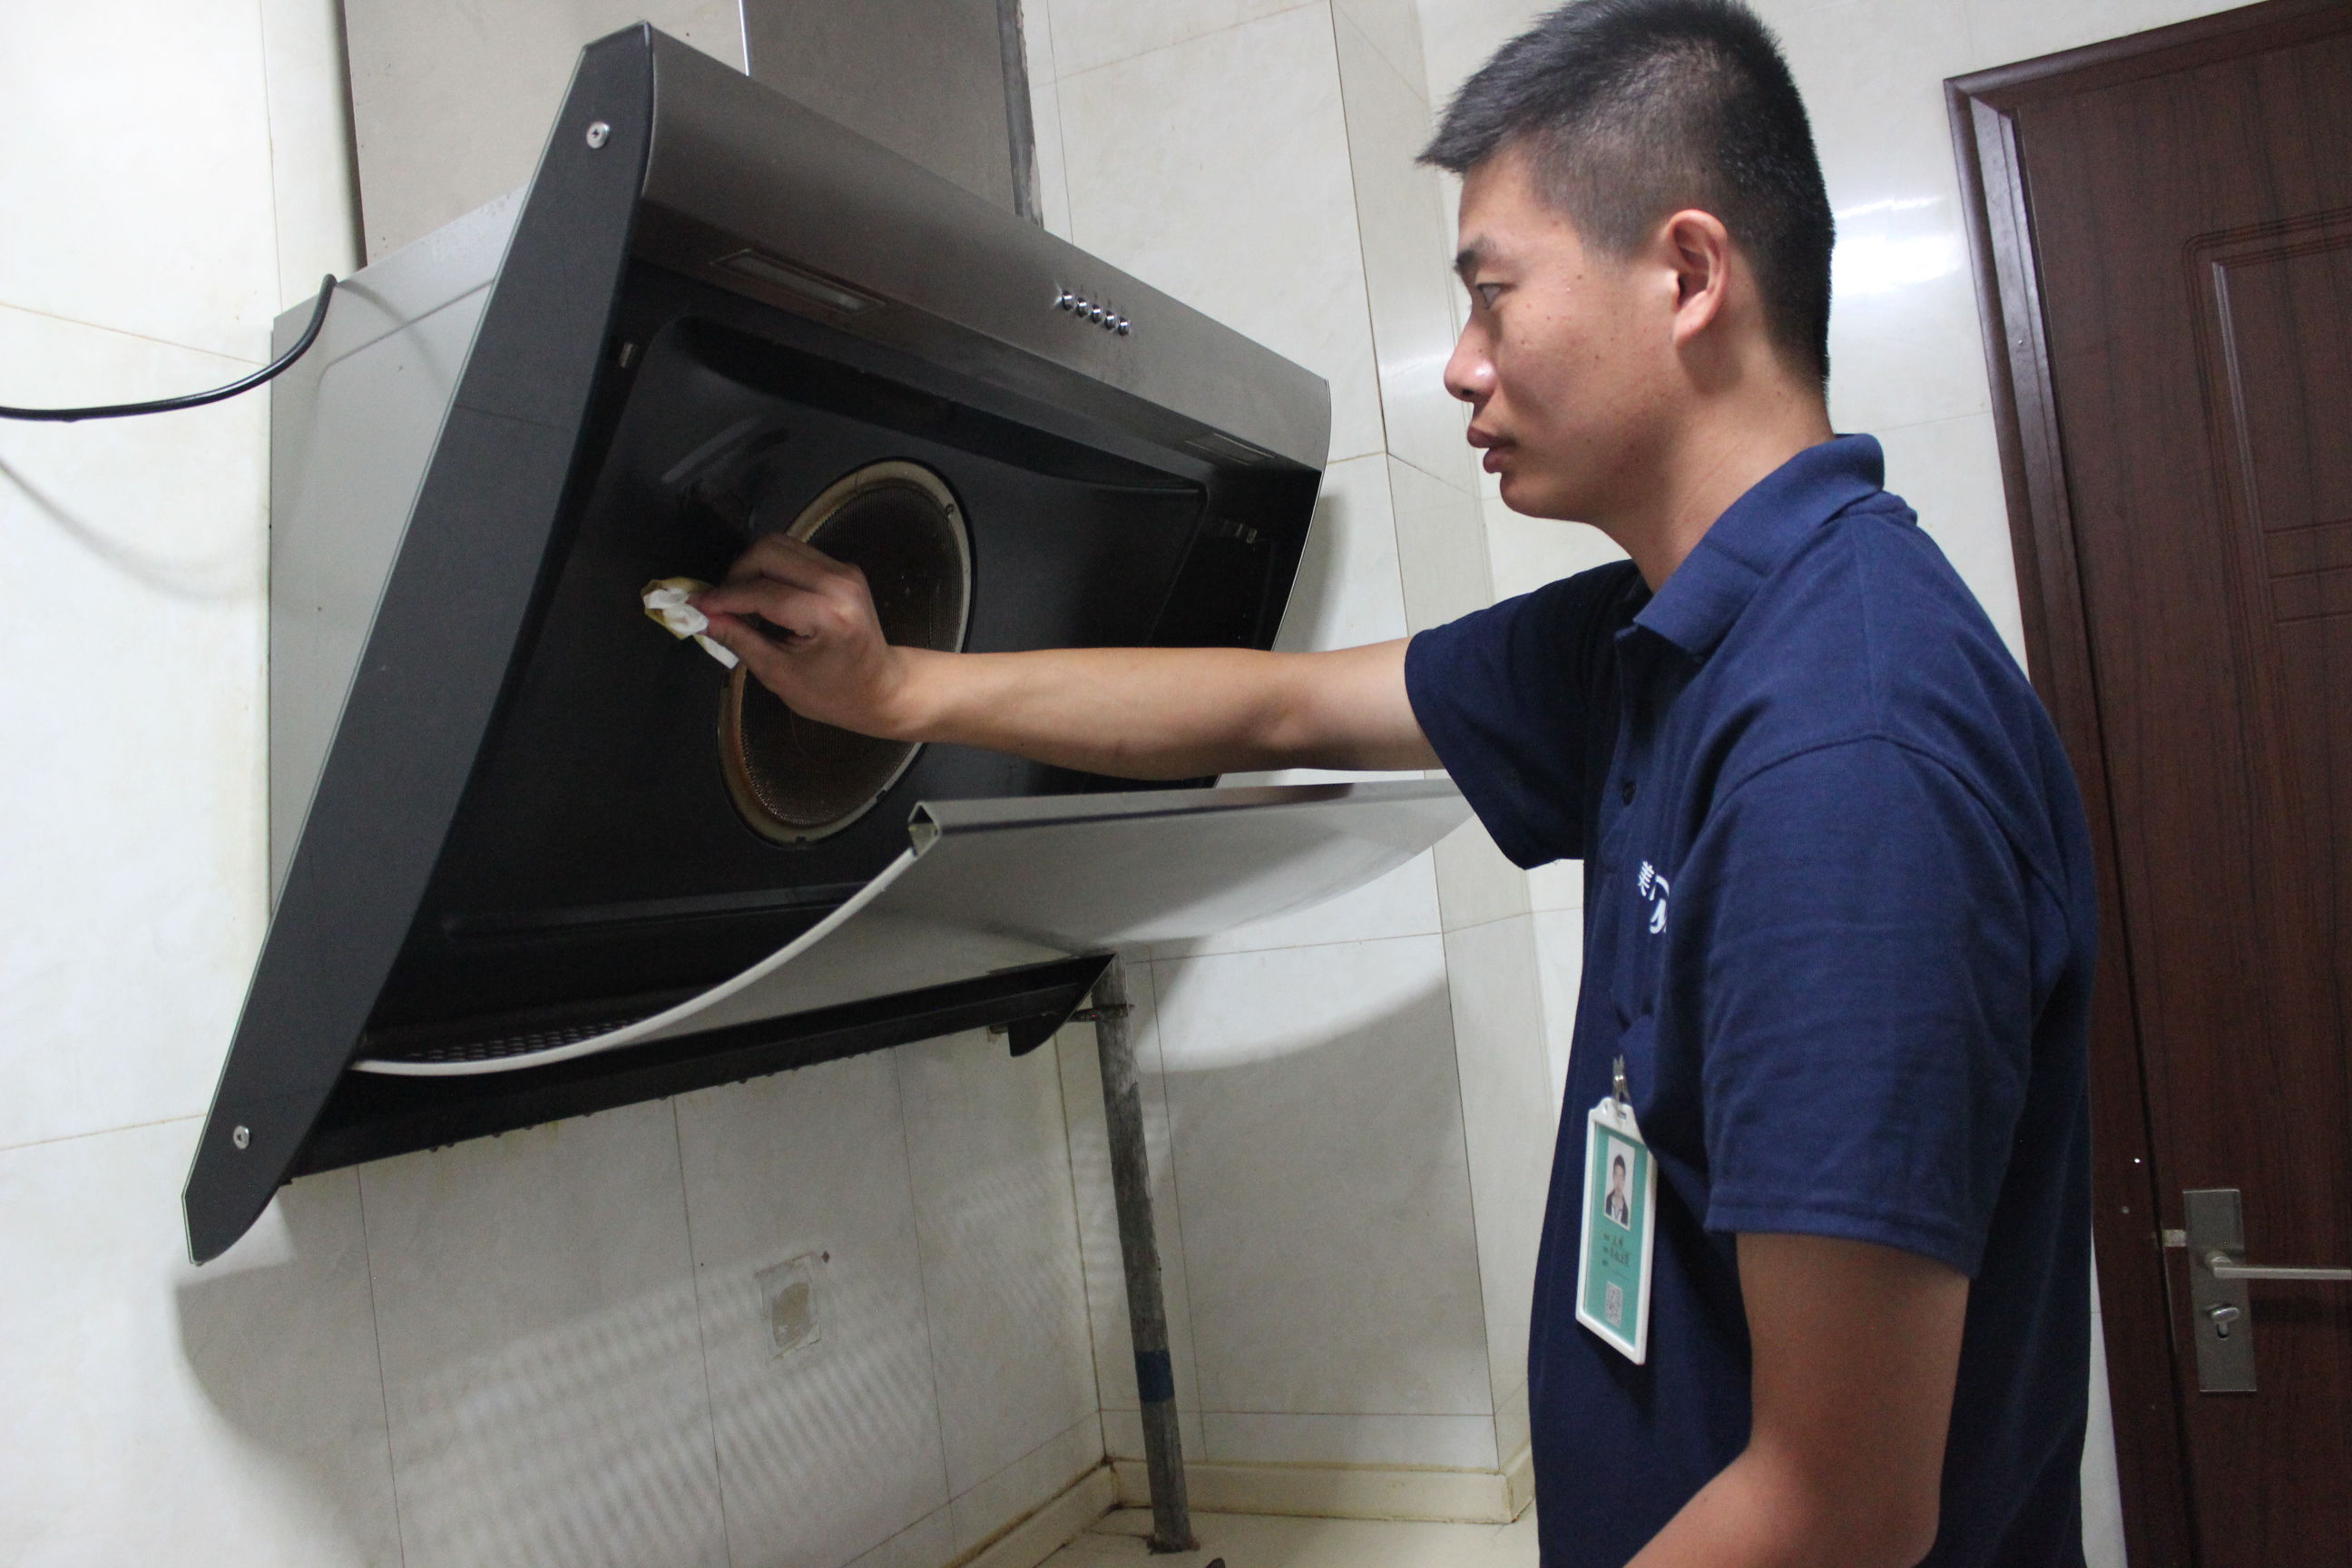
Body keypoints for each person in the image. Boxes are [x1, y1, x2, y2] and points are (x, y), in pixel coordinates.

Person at [691, 3, 2097, 1563]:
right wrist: (895, 690)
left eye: (1492, 295)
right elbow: (1282, 700)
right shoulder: (1665, 639)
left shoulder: (1846, 751)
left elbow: (1841, 1507)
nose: (1462, 365)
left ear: (1689, 275)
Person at [1606, 1151, 1632, 1229]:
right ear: (1613, 1177)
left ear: (1624, 1180)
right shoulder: (1607, 1201)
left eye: (1621, 1177)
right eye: (1616, 1175)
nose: (1618, 1181)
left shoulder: (1626, 1211)